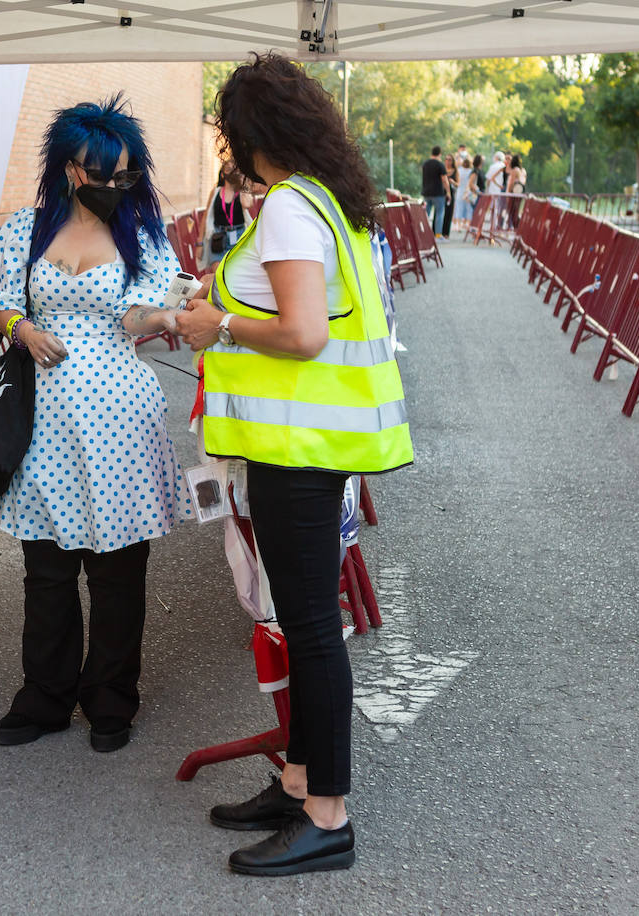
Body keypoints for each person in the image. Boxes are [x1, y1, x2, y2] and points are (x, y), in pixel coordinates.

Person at [174, 53, 413, 877]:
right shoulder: (328, 203)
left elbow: (304, 333)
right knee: (310, 624)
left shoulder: (286, 209)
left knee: (310, 630)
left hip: (296, 449)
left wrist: (220, 327)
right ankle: (302, 780)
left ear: (251, 134)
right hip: (317, 444)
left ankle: (328, 817)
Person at [0, 97, 193, 754]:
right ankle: (44, 694)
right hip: (42, 416)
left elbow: (145, 316)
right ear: (70, 169)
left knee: (119, 568)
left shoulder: (143, 234)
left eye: (126, 174)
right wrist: (23, 327)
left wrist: (173, 312)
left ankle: (112, 697)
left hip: (121, 414)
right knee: (47, 564)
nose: (118, 186)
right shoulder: (25, 229)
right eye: (105, 174)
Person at [201, 163, 252, 271]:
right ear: (223, 174)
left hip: (239, 236)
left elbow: (247, 204)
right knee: (218, 273)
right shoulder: (215, 192)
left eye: (235, 170)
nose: (232, 172)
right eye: (229, 169)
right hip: (218, 237)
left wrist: (244, 182)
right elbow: (205, 217)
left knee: (236, 273)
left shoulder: (242, 191)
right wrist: (199, 243)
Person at [421, 145, 447, 236]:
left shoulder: (425, 164)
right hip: (438, 193)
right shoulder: (440, 165)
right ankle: (438, 235)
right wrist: (448, 192)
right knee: (439, 214)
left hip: (426, 193)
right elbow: (444, 180)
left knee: (426, 214)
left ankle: (425, 234)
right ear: (440, 154)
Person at [506, 153, 527, 228]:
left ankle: (514, 227)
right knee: (517, 211)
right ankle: (517, 227)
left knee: (511, 211)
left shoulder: (515, 170)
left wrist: (508, 193)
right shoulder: (523, 170)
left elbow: (511, 183)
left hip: (513, 193)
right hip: (521, 193)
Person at [453, 156, 474, 232]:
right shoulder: (471, 171)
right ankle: (467, 224)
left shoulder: (459, 170)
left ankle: (458, 225)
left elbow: (456, 182)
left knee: (459, 209)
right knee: (468, 209)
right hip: (468, 192)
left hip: (460, 191)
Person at [441, 152, 458, 239]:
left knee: (449, 213)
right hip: (441, 193)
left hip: (451, 193)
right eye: (446, 159)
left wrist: (453, 182)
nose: (448, 161)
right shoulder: (442, 169)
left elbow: (458, 184)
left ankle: (446, 233)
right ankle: (438, 232)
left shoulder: (455, 171)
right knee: (440, 213)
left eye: (450, 160)